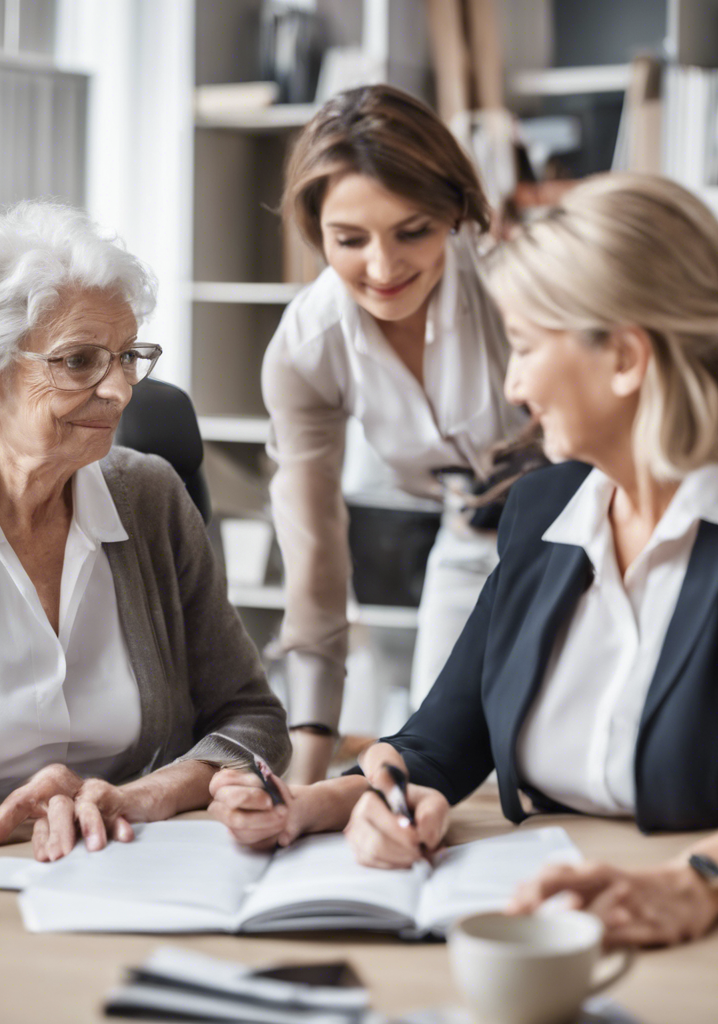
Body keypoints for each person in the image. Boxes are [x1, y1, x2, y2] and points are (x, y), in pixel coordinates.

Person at [208, 173, 718, 947]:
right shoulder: (546, 506)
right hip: (535, 915)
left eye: (524, 347)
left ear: (623, 357)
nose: (512, 385)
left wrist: (699, 882)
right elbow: (438, 742)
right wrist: (328, 803)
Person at [0, 201, 290, 862]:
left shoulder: (152, 499)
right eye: (79, 362)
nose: (120, 392)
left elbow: (252, 717)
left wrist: (145, 796)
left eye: (127, 356)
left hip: (136, 856)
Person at [264, 84, 525, 783]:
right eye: (349, 240)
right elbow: (314, 557)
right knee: (439, 773)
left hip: (579, 539)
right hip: (468, 540)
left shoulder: (515, 287)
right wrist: (307, 764)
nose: (381, 270)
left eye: (412, 231)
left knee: (553, 772)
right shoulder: (307, 346)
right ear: (316, 231)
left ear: (456, 213)